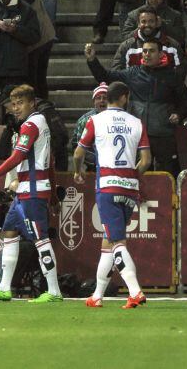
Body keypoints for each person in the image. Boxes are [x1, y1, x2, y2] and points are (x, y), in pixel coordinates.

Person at [0, 84, 64, 303]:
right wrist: (52, 194)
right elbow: (50, 162)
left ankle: (53, 291)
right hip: (25, 190)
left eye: (20, 103)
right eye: (13, 104)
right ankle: (4, 287)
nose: (16, 108)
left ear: (32, 103)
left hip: (32, 192)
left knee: (40, 239)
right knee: (8, 232)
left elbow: (15, 158)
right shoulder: (38, 124)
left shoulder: (32, 125)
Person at [73, 81, 151, 309]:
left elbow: (78, 153)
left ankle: (135, 291)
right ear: (125, 98)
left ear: (107, 98)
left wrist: (78, 171)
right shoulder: (137, 122)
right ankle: (97, 295)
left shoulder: (96, 120)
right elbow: (146, 161)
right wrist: (131, 176)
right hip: (129, 188)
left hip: (107, 186)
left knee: (117, 242)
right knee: (108, 241)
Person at [86, 40, 187, 177]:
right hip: (137, 135)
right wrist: (92, 60)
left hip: (164, 135)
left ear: (161, 53)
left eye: (151, 51)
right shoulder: (133, 73)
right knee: (137, 175)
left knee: (169, 175)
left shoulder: (171, 76)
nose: (147, 54)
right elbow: (105, 76)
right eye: (144, 51)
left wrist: (179, 114)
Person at [112, 7, 187, 80]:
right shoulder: (126, 46)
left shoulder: (172, 45)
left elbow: (180, 73)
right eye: (143, 21)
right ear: (138, 23)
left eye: (151, 21)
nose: (147, 25)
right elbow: (117, 73)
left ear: (157, 22)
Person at [70, 82, 109, 172]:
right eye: (98, 98)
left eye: (105, 98)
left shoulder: (117, 119)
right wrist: (97, 161)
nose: (102, 100)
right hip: (92, 166)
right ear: (94, 102)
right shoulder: (84, 120)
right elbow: (77, 146)